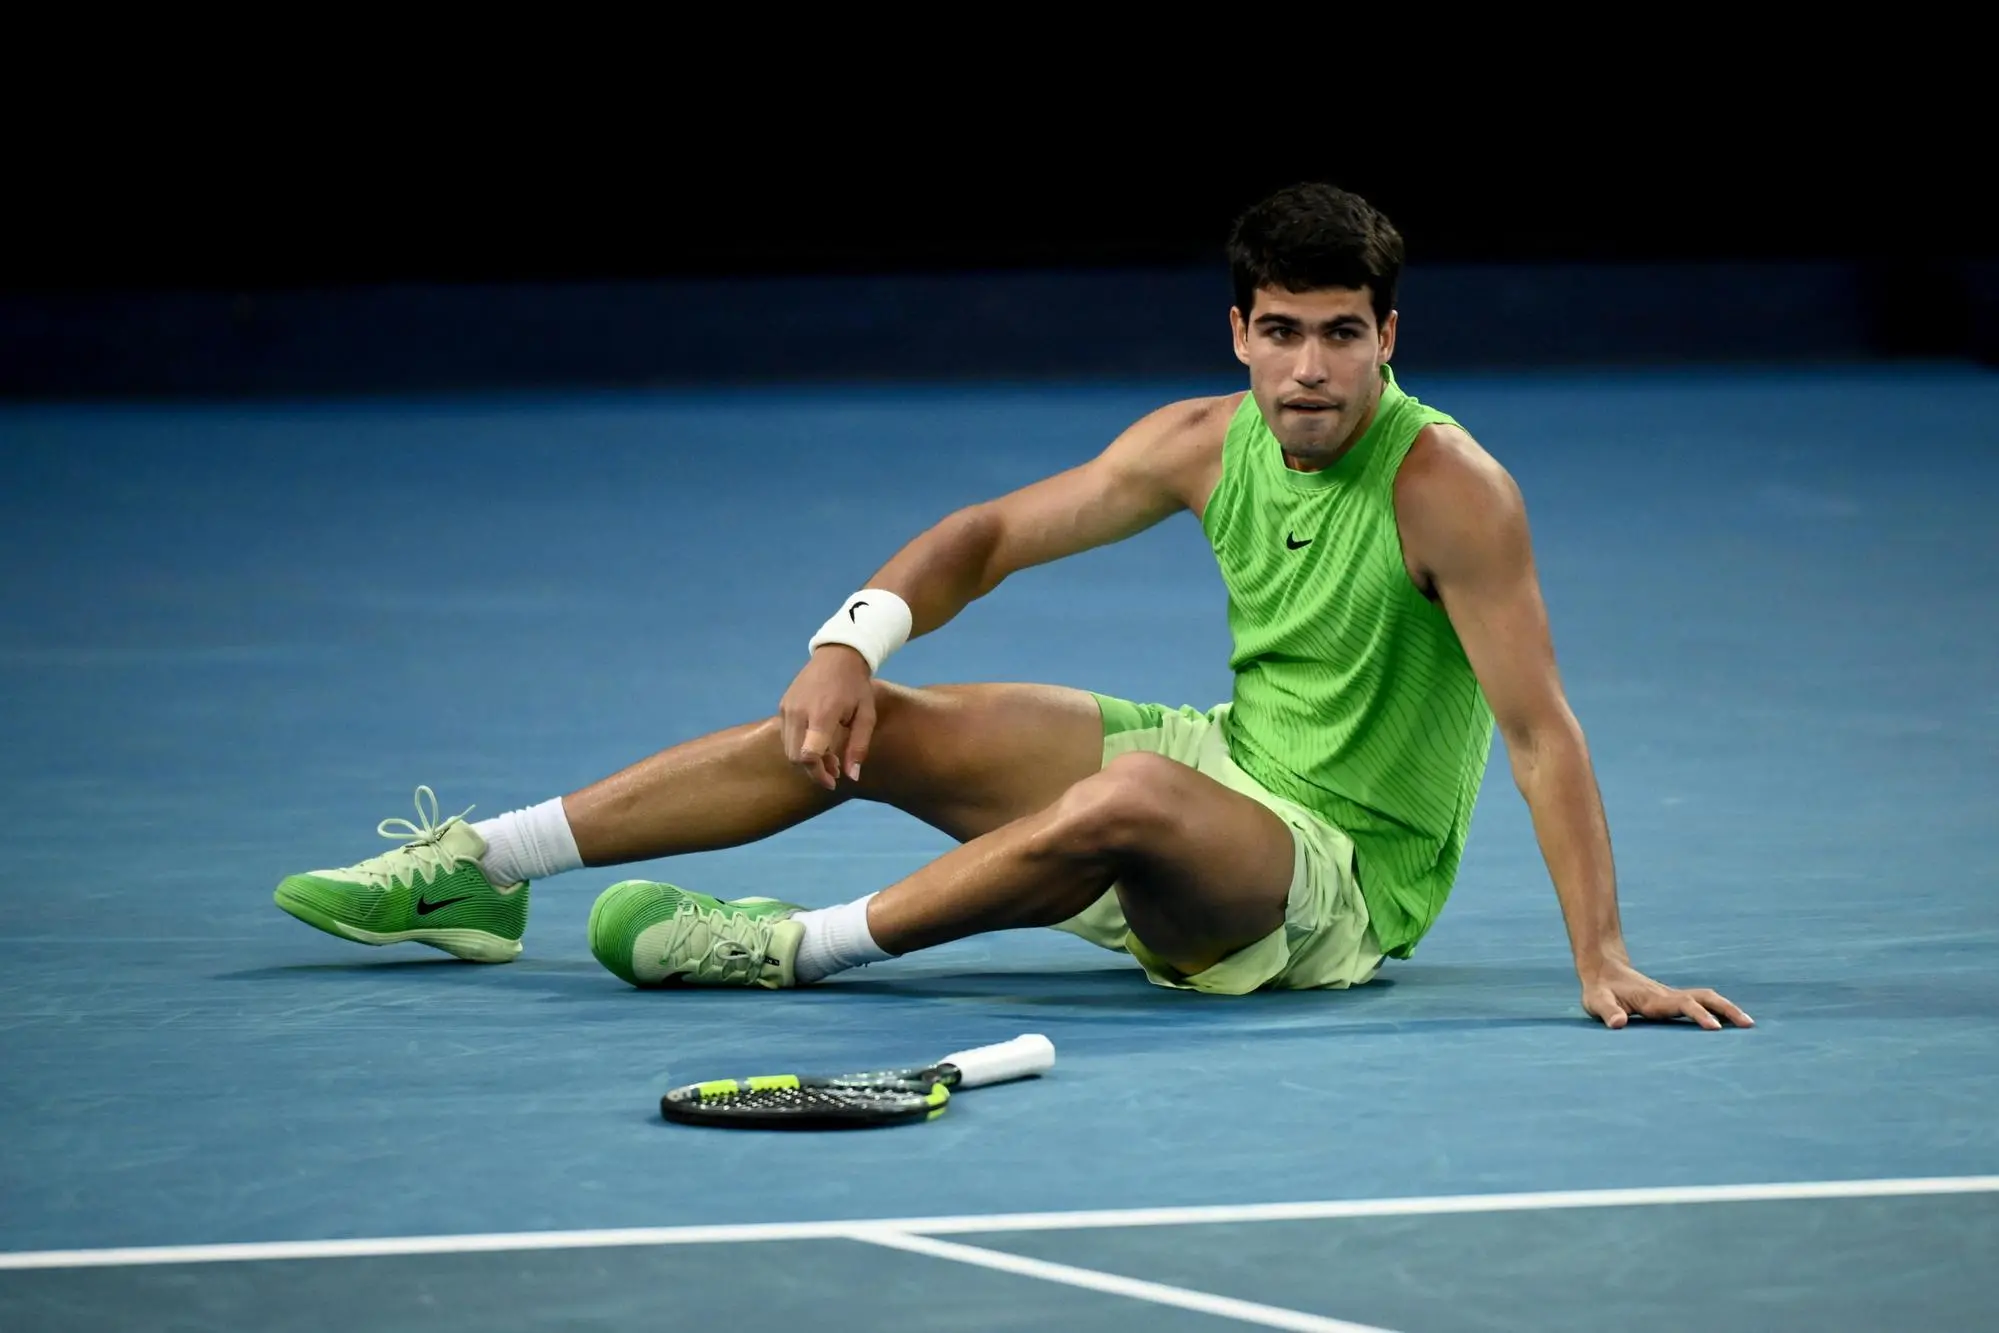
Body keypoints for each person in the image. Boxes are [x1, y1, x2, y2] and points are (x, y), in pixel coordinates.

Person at [274, 181, 1752, 1031]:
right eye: (1282, 334)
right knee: (890, 726)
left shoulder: (1449, 489)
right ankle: (484, 867)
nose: (1310, 371)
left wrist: (1600, 959)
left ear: (1387, 340)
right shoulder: (1195, 442)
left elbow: (1541, 734)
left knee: (1134, 797)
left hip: (1336, 883)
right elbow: (986, 537)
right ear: (1237, 331)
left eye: (1343, 338)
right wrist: (847, 641)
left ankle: (787, 948)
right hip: (1234, 761)